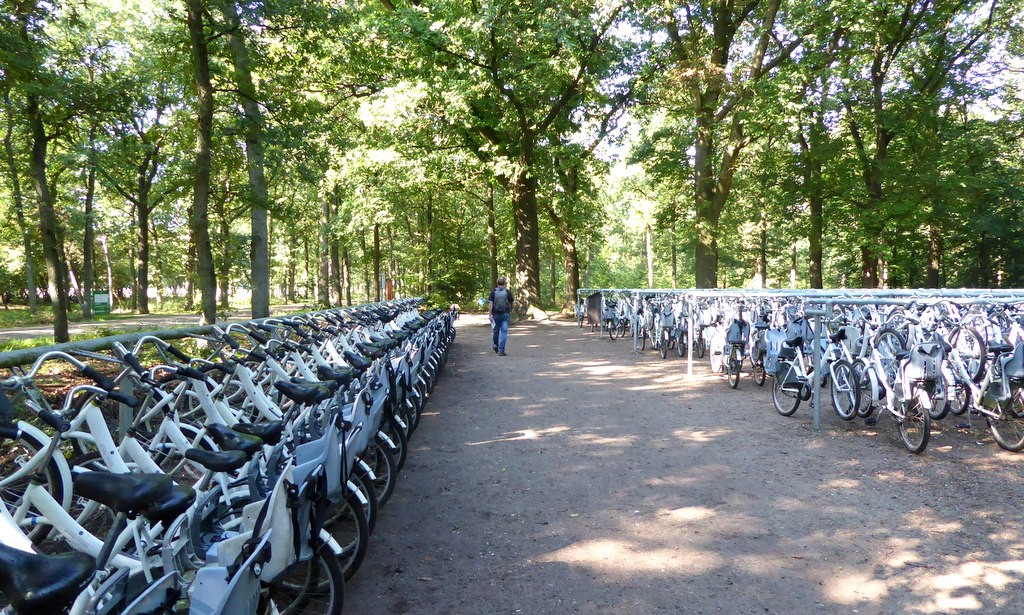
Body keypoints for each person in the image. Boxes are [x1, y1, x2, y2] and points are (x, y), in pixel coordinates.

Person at [489, 277, 513, 356]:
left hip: (495, 314)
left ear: (497, 283)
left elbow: (491, 303)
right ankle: (501, 350)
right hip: (505, 314)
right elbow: (512, 302)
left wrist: (490, 314)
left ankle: (495, 345)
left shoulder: (493, 292)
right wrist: (510, 311)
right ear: (504, 283)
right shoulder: (507, 292)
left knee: (496, 331)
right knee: (504, 332)